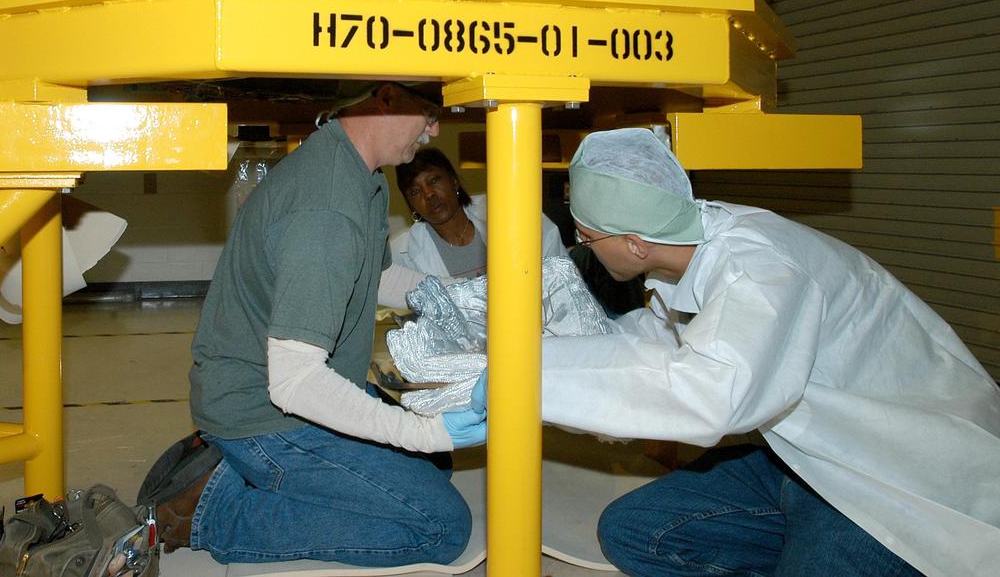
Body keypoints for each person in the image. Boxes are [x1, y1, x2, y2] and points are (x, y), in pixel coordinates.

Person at [540, 127, 1000, 576]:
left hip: (896, 484)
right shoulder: (697, 239)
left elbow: (709, 396)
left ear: (634, 245)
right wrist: (536, 356)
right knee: (633, 531)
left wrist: (524, 384)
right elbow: (660, 340)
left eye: (586, 239)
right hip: (805, 460)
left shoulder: (760, 269)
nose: (583, 249)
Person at [159, 82, 486, 567]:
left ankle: (258, 475)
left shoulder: (360, 171)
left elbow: (372, 275)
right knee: (441, 526)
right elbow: (295, 383)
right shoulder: (328, 208)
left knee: (435, 470)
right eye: (430, 112)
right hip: (264, 417)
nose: (435, 128)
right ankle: (212, 512)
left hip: (286, 393)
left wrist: (451, 295)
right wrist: (426, 433)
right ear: (387, 98)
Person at [391, 146, 564, 279]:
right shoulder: (403, 253)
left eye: (434, 180)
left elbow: (561, 277)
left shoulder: (509, 213)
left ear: (453, 181)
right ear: (410, 204)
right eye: (415, 192)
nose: (429, 194)